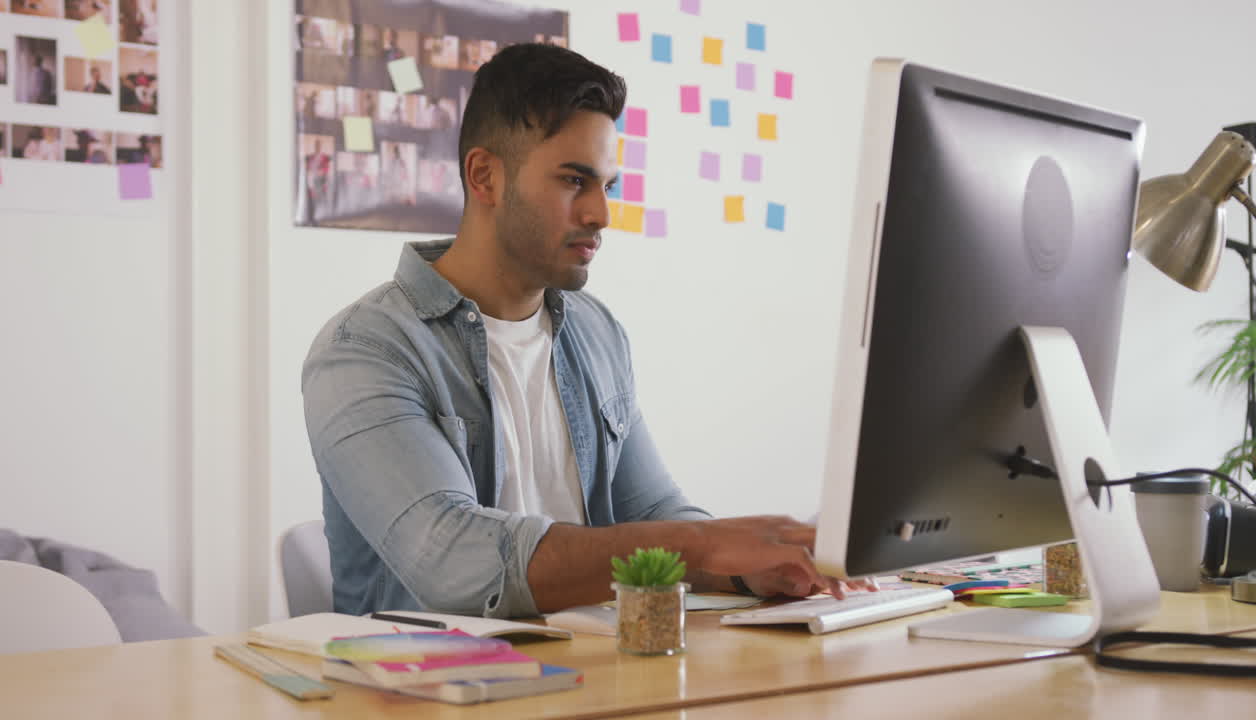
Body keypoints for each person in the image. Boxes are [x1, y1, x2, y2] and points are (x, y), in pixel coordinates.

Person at [302, 43, 870, 619]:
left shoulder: (595, 331)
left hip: (590, 678)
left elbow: (652, 512)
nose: (601, 213)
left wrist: (750, 565)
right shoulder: (364, 351)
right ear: (485, 176)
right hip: (432, 696)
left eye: (608, 185)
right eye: (575, 180)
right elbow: (455, 563)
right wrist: (704, 543)